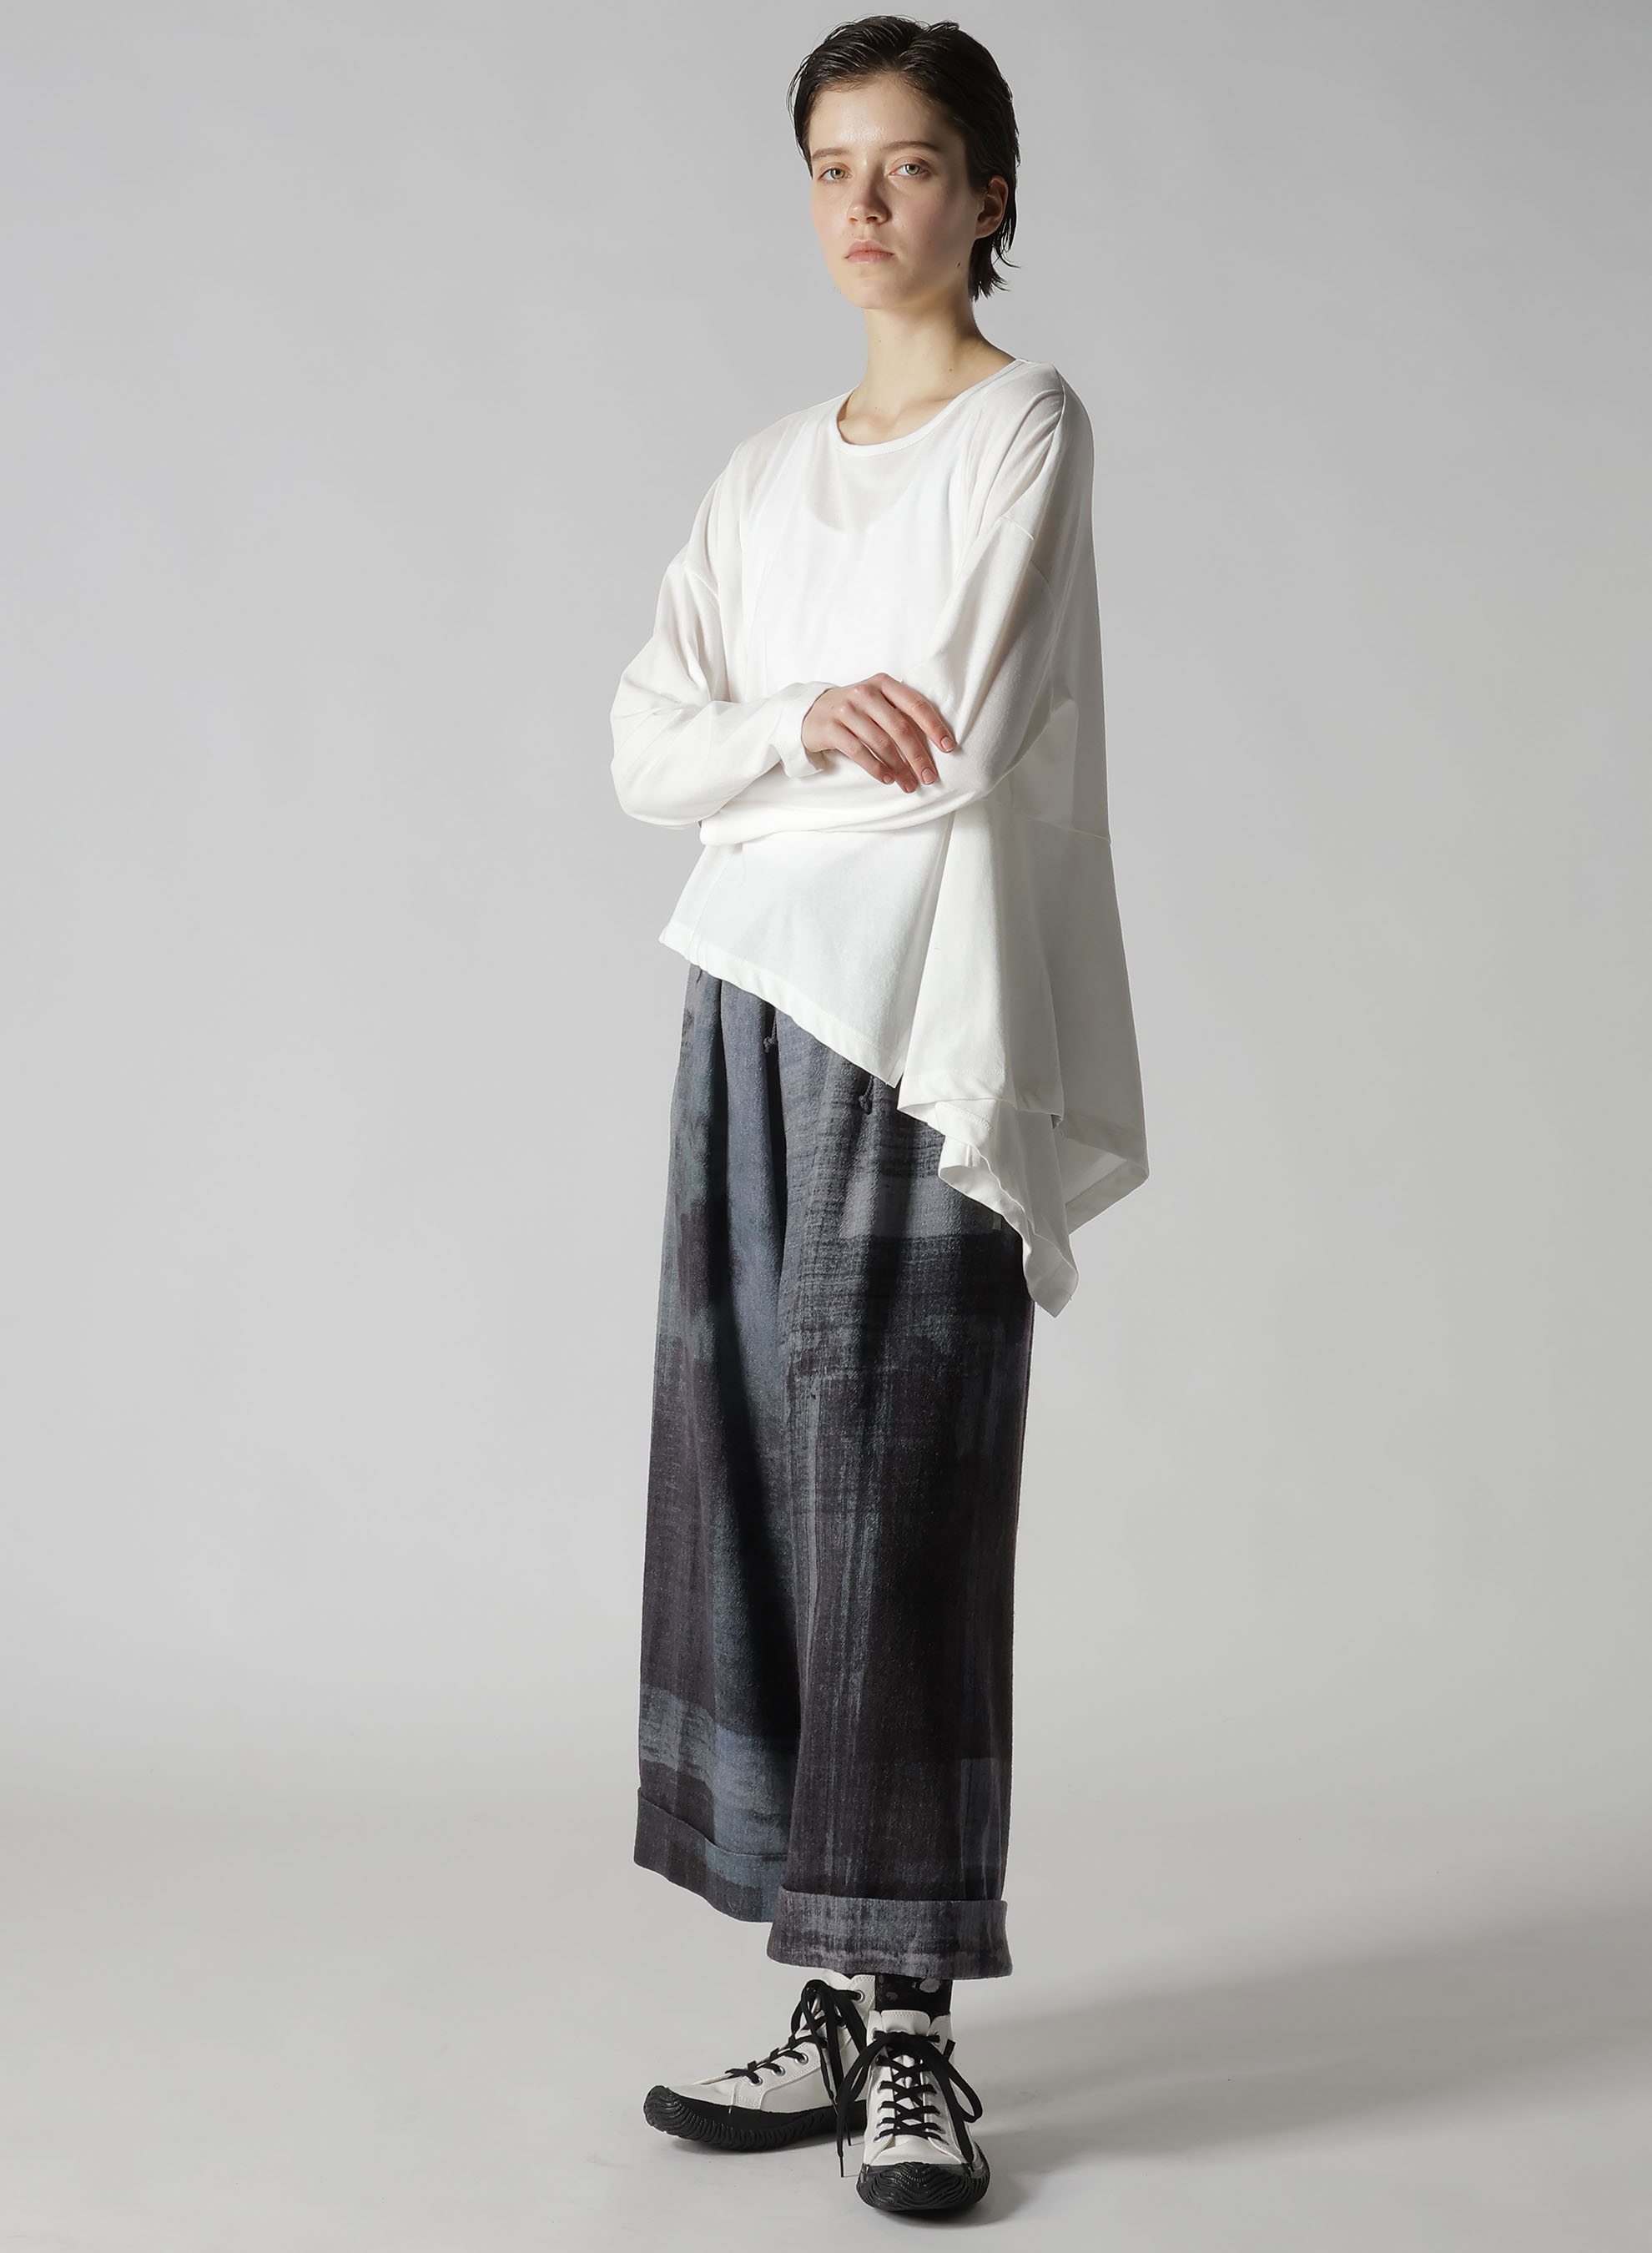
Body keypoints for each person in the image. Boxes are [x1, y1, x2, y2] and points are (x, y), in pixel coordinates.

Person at [608, 13, 1146, 2220]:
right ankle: (827, 1999)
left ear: (985, 195)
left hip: (921, 1019)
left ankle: (916, 2034)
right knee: (749, 1478)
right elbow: (639, 749)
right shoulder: (759, 476)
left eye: (910, 165)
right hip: (747, 1007)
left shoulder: (1025, 428)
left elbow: (966, 729)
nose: (864, 204)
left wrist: (767, 747)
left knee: (900, 1501)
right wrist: (795, 720)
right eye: (833, 165)